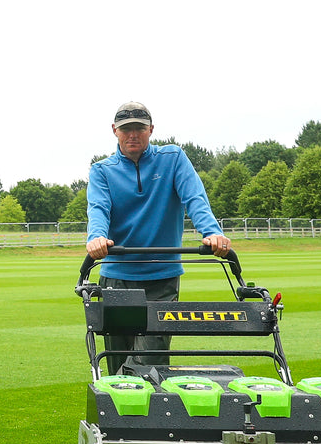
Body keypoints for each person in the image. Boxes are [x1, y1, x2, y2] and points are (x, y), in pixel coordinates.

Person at [85, 101, 231, 375]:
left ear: (151, 129)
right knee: (116, 357)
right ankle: (119, 415)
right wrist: (97, 238)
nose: (133, 135)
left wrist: (211, 232)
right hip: (117, 275)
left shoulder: (173, 158)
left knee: (150, 359)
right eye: (126, 129)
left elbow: (194, 197)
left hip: (161, 278)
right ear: (114, 130)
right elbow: (99, 209)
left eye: (139, 128)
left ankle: (150, 414)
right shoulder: (102, 171)